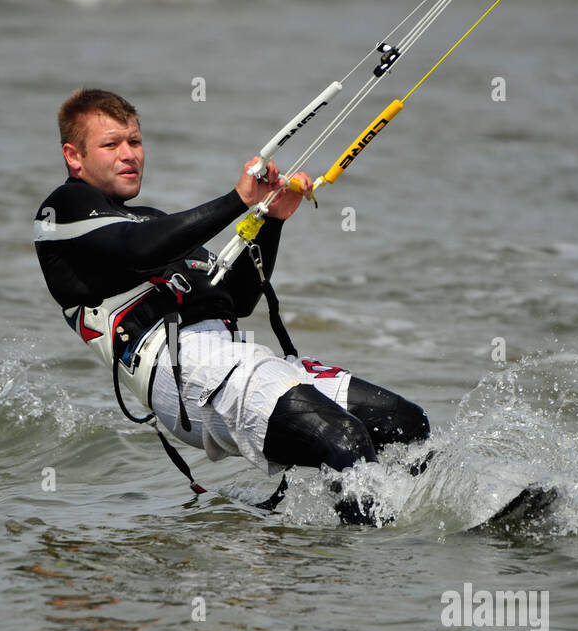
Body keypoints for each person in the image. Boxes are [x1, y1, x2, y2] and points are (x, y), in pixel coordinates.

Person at [33, 88, 431, 522]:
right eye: (111, 144)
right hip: (179, 369)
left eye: (135, 141)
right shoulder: (63, 210)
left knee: (404, 423)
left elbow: (237, 298)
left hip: (229, 354)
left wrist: (271, 219)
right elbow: (136, 251)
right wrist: (238, 200)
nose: (129, 154)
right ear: (74, 157)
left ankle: (424, 523)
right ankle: (373, 564)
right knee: (345, 439)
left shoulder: (150, 218)